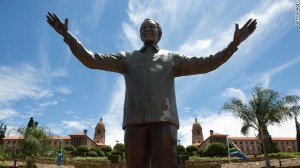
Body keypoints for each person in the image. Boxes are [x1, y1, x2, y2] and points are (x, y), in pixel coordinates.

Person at [46, 12, 257, 168]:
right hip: (134, 122)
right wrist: (68, 36)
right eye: (143, 28)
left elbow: (207, 63)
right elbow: (91, 59)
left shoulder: (171, 58)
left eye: (151, 27)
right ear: (139, 35)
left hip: (164, 122)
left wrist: (233, 45)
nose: (147, 29)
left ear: (159, 34)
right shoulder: (126, 58)